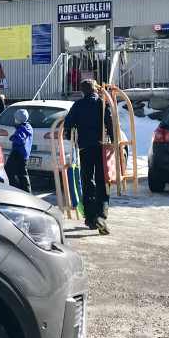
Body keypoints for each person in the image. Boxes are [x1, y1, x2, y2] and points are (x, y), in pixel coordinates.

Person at [64, 79, 114, 235]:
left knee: (87, 181)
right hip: (100, 146)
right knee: (102, 180)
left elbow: (68, 122)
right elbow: (110, 121)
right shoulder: (101, 103)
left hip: (85, 147)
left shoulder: (78, 105)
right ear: (95, 90)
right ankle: (101, 215)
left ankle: (91, 218)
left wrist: (68, 133)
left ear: (82, 91)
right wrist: (112, 139)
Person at [6, 109, 33, 193]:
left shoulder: (21, 128)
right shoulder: (28, 127)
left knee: (9, 171)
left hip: (17, 153)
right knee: (22, 174)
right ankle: (25, 191)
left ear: (18, 120)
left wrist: (13, 137)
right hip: (24, 154)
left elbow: (20, 139)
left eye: (15, 119)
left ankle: (15, 189)